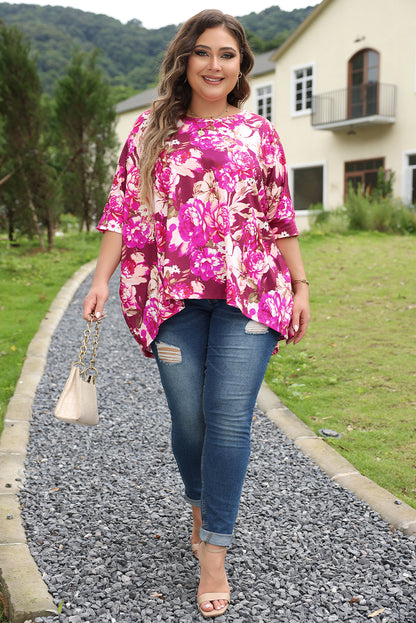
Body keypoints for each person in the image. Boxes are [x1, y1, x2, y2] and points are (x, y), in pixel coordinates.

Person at [83, 9, 310, 618]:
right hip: (173, 298)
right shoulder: (150, 131)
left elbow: (278, 214)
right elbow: (123, 212)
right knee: (190, 423)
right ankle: (201, 502)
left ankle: (214, 552)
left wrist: (301, 283)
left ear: (241, 67)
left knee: (229, 419)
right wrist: (101, 280)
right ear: (185, 60)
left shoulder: (258, 133)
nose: (216, 65)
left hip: (250, 295)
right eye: (204, 53)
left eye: (228, 56)